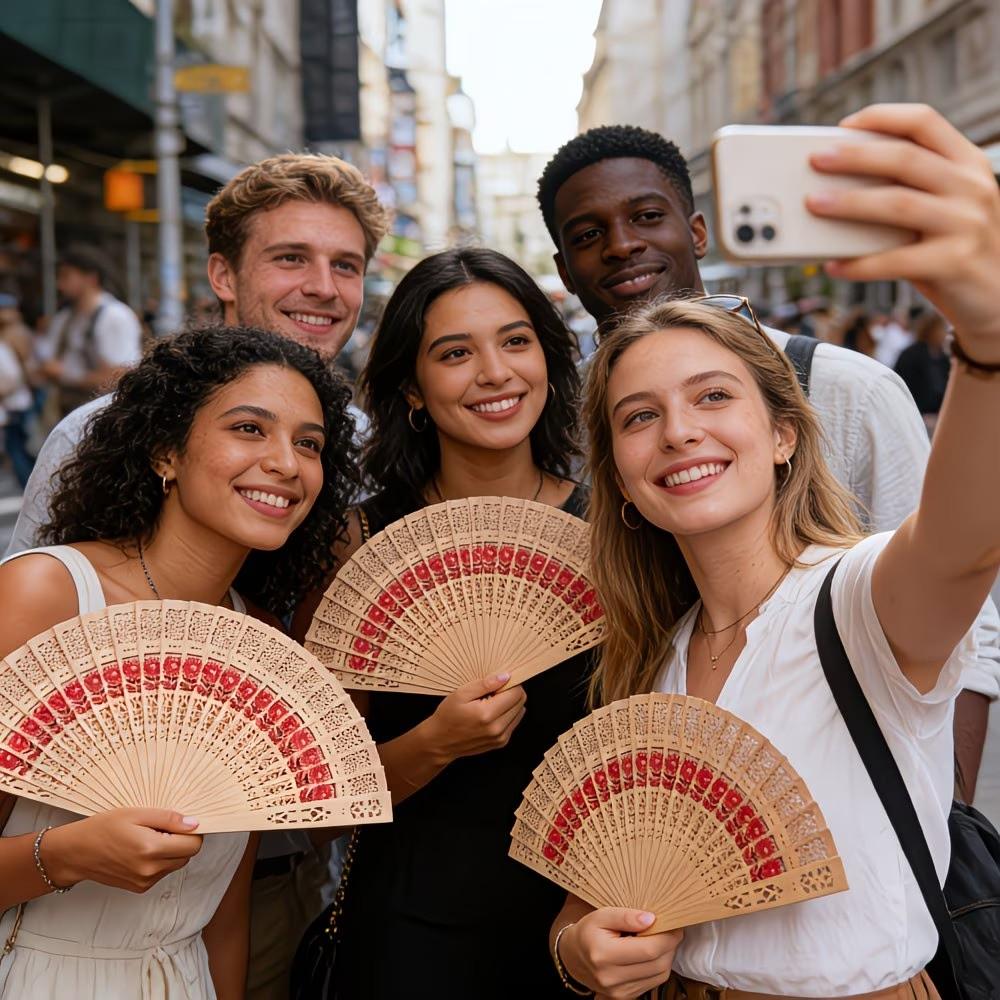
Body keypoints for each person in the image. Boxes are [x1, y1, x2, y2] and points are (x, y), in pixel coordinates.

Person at [547, 102, 1000, 999]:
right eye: (640, 417)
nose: (678, 432)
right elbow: (588, 901)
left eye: (713, 397)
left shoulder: (860, 604)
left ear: (785, 433)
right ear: (622, 482)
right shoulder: (649, 660)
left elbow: (961, 544)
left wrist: (986, 345)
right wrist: (577, 949)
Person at [6, 152, 392, 1000]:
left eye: (346, 265)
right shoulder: (57, 562)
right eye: (291, 258)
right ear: (163, 452)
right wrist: (65, 852)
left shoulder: (252, 632)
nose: (323, 287)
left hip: (257, 896)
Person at [291, 247, 586, 998]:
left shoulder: (618, 530)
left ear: (548, 360)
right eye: (456, 353)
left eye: (515, 341)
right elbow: (315, 802)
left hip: (592, 924)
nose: (495, 373)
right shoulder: (356, 540)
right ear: (413, 390)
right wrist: (434, 744)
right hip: (415, 932)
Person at [37, 245, 142, 420]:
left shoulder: (114, 316)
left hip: (103, 418)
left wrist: (67, 375)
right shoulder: (63, 319)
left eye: (66, 276)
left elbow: (121, 376)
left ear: (91, 278)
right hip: (69, 415)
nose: (60, 284)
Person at [894, 310, 951, 435]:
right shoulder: (910, 355)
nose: (944, 334)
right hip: (917, 416)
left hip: (938, 417)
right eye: (941, 329)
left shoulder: (944, 358)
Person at [0, 294, 35, 487]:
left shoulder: (14, 333)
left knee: (18, 449)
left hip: (16, 401)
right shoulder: (9, 333)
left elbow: (17, 374)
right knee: (19, 447)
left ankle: (31, 486)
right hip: (17, 400)